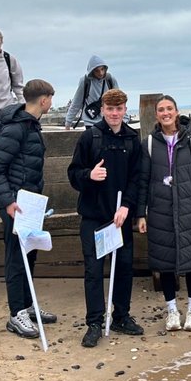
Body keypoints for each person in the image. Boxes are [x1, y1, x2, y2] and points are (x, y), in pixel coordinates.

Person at [136, 96, 191, 333]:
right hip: (159, 209)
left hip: (188, 207)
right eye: (161, 110)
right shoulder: (149, 144)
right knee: (164, 262)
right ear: (156, 115)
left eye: (169, 109)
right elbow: (142, 181)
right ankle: (172, 310)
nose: (166, 113)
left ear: (176, 111)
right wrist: (140, 213)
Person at [67, 88, 145, 348]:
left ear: (125, 110)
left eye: (119, 108)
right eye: (110, 109)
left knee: (123, 268)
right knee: (94, 270)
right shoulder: (90, 137)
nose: (114, 113)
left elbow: (137, 179)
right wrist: (89, 175)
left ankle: (121, 315)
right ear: (102, 110)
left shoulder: (133, 140)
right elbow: (73, 173)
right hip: (94, 216)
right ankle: (94, 322)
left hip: (120, 218)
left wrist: (129, 208)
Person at [0, 79, 57, 338]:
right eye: (51, 98)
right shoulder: (16, 128)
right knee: (16, 258)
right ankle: (17, 315)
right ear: (44, 99)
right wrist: (8, 202)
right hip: (16, 205)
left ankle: (28, 305)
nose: (51, 103)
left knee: (30, 254)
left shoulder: (30, 125)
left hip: (30, 203)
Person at [65, 56, 118, 129]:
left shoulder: (110, 79)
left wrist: (124, 120)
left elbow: (119, 101)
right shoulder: (85, 81)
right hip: (90, 122)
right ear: (92, 71)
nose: (101, 73)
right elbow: (77, 102)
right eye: (97, 71)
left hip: (108, 121)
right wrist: (68, 123)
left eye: (102, 69)